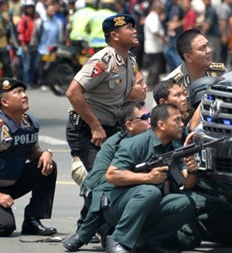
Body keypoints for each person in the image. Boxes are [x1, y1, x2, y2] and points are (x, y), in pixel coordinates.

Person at [153, 79, 232, 249]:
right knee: (189, 240)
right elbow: (183, 182)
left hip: (185, 190)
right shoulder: (157, 135)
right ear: (163, 103)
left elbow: (193, 126)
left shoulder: (180, 127)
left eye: (184, 94)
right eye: (178, 95)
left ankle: (198, 223)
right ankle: (145, 238)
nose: (184, 98)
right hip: (164, 199)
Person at [65, 13, 139, 229]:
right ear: (114, 35)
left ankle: (88, 223)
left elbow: (123, 97)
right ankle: (89, 226)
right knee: (102, 177)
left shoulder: (129, 61)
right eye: (128, 28)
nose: (134, 31)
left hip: (111, 129)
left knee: (118, 173)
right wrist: (95, 126)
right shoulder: (103, 60)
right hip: (87, 129)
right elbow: (73, 92)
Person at [0, 78, 57, 237]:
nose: (24, 95)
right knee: (4, 227)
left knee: (48, 166)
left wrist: (45, 153)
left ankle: (32, 221)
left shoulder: (28, 123)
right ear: (4, 102)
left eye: (24, 91)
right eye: (17, 92)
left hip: (11, 183)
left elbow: (32, 151)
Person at [103, 103, 197, 253]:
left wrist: (192, 170)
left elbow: (185, 183)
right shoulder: (137, 143)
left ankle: (145, 242)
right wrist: (148, 177)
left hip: (147, 205)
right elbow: (112, 174)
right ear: (161, 124)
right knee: (151, 192)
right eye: (177, 120)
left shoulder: (173, 147)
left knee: (185, 203)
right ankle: (118, 240)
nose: (182, 124)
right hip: (118, 205)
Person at [63, 100, 151, 251]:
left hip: (137, 195)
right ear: (129, 124)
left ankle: (85, 232)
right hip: (113, 195)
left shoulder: (156, 138)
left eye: (150, 116)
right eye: (144, 118)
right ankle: (88, 232)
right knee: (98, 188)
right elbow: (97, 177)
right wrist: (128, 178)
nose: (150, 121)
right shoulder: (114, 143)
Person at [165, 28, 226, 131]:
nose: (209, 50)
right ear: (188, 57)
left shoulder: (220, 72)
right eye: (202, 48)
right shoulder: (172, 83)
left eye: (207, 45)